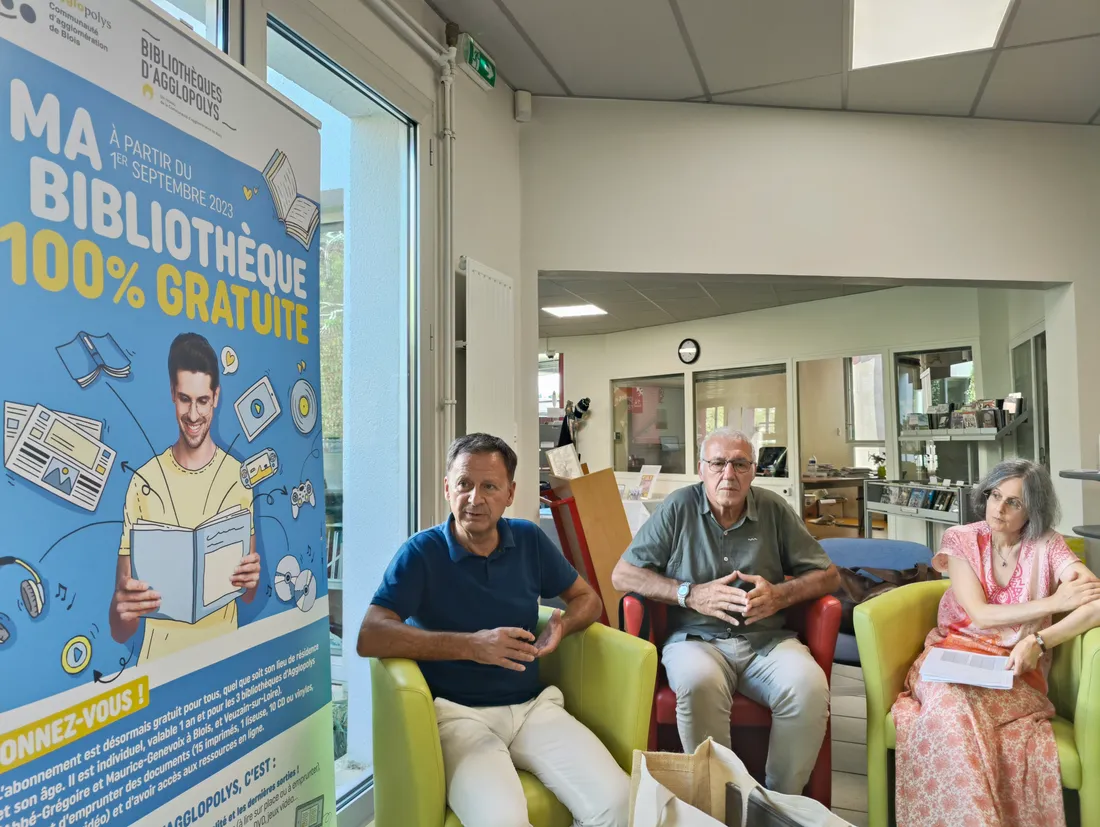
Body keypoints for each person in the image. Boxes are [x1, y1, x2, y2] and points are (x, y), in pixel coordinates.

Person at [358, 433, 629, 827]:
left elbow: (588, 599)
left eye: (489, 486)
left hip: (532, 707)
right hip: (457, 715)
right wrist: (472, 646)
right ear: (448, 488)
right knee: (503, 820)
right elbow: (371, 635)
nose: (474, 498)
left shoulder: (530, 539)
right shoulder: (420, 553)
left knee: (619, 800)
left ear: (510, 493)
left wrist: (562, 626)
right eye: (464, 484)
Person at [611, 426, 840, 795]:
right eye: (717, 464)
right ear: (701, 469)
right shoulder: (678, 507)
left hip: (767, 640)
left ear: (754, 470)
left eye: (739, 464)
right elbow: (622, 575)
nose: (728, 475)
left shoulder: (773, 508)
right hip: (696, 639)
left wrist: (781, 595)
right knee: (698, 681)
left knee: (808, 687)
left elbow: (829, 576)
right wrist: (691, 593)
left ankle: (777, 806)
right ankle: (720, 804)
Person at [892, 459, 1100, 827]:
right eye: (994, 495)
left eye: (1013, 502)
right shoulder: (961, 538)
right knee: (949, 705)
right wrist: (1056, 603)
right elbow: (980, 613)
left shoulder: (1048, 545)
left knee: (950, 716)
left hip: (1011, 672)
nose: (998, 508)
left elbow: (1096, 602)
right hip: (949, 659)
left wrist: (1039, 639)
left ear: (1033, 509)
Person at [109, 333, 261, 662]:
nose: (193, 415)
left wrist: (251, 579)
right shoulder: (143, 482)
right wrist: (123, 607)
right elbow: (121, 630)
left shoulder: (239, 477)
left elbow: (247, 596)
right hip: (160, 672)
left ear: (216, 397)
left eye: (202, 400)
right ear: (172, 395)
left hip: (222, 666)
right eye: (184, 399)